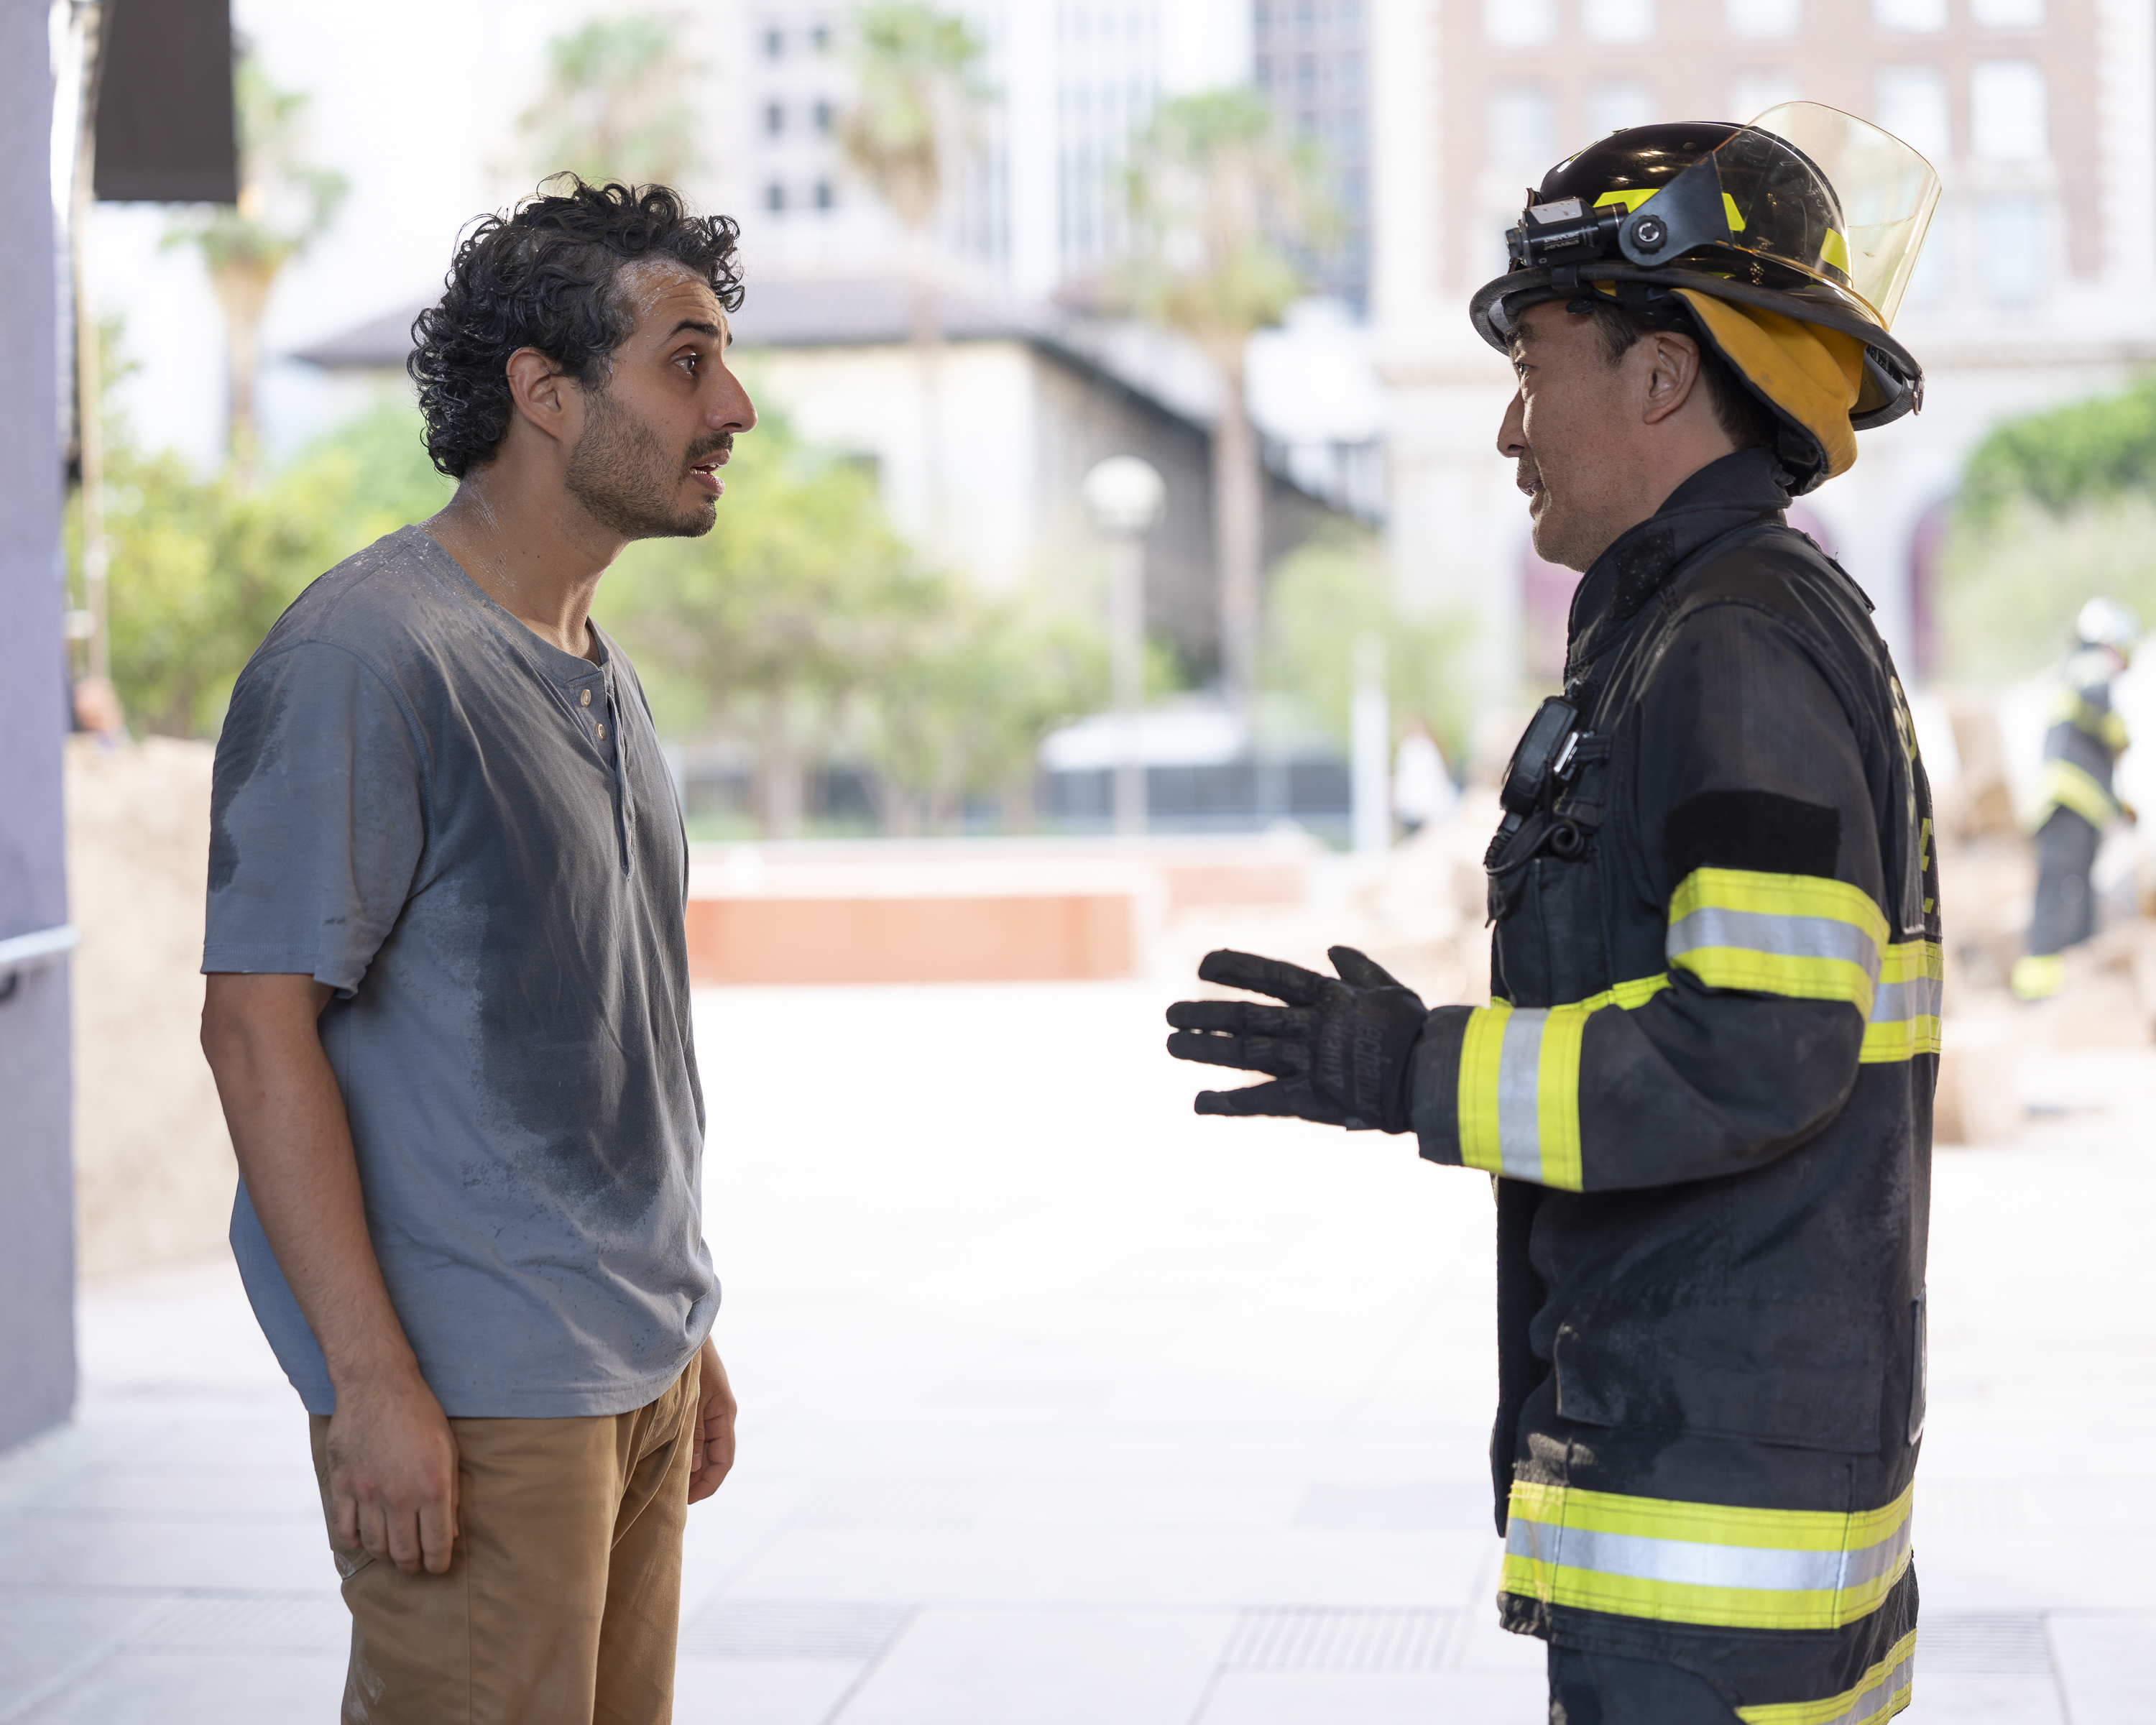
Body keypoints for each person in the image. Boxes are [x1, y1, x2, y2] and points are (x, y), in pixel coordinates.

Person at [1167, 107, 1942, 1724]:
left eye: (1533, 368)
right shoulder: (1712, 628)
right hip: (1723, 1505)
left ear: (1661, 375)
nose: (1512, 430)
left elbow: (1755, 1050)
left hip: (1708, 1560)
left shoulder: (1734, 643)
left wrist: (1412, 1069)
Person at [198, 179, 756, 1725]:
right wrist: (369, 1378)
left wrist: (681, 1329)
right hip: (474, 1392)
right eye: (687, 363)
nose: (733, 408)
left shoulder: (598, 670)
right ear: (544, 392)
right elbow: (254, 1030)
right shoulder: (366, 658)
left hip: (628, 1369)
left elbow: (605, 1035)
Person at [2012, 597, 2139, 1001]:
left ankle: (2071, 990)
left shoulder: (2077, 670)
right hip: (2068, 805)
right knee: (2063, 897)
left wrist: (2118, 806)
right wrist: (2120, 734)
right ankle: (2038, 990)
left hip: (2079, 808)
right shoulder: (2088, 663)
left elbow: (2089, 756)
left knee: (2077, 898)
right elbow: (2095, 699)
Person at [1392, 714, 1457, 835]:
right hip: (1424, 812)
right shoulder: (1429, 749)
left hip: (1418, 811)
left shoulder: (1414, 749)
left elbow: (1420, 782)